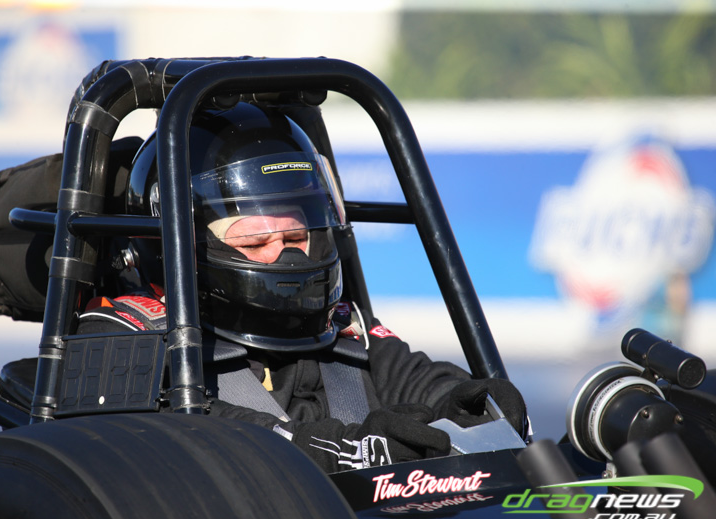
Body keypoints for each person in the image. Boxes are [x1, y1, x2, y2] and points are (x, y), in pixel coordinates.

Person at [77, 102, 527, 473]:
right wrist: (343, 449)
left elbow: (415, 379)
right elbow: (189, 434)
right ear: (177, 245)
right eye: (255, 242)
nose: (286, 256)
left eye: (295, 236)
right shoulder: (121, 334)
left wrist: (466, 405)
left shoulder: (338, 325)